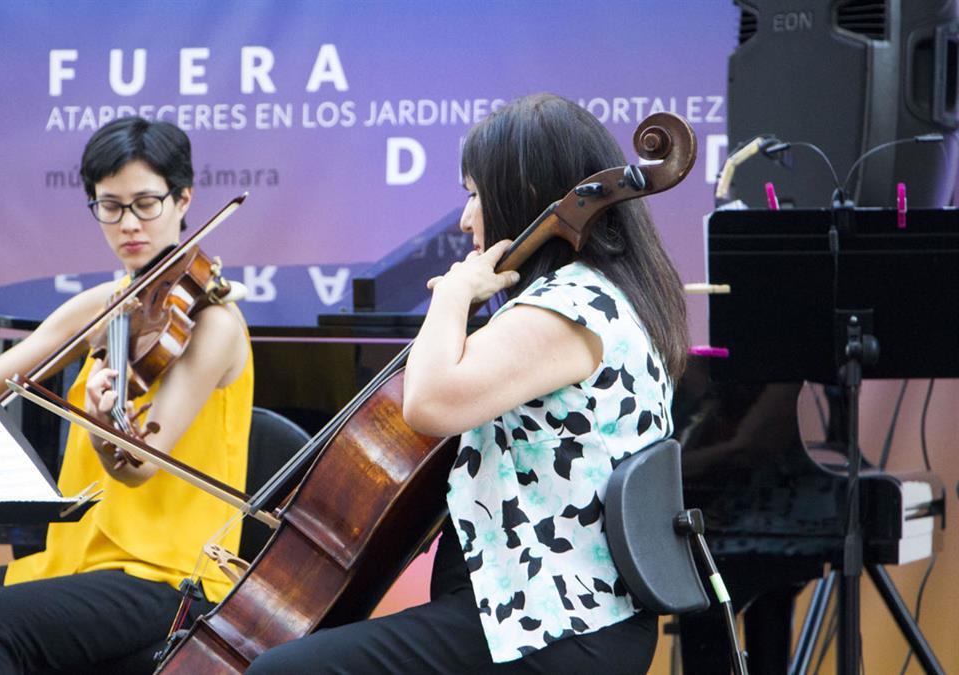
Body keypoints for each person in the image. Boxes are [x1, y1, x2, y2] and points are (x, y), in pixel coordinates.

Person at [246, 93, 688, 673]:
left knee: (281, 672)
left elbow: (427, 403)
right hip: (542, 617)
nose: (464, 219)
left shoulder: (568, 308)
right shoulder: (599, 296)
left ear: (527, 195)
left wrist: (454, 293)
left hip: (552, 624)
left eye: (474, 195)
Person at [0, 117, 254, 674]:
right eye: (109, 205)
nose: (128, 223)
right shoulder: (107, 304)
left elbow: (136, 469)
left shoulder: (213, 324)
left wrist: (104, 426)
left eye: (146, 203)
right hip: (76, 559)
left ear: (183, 200)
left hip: (167, 573)